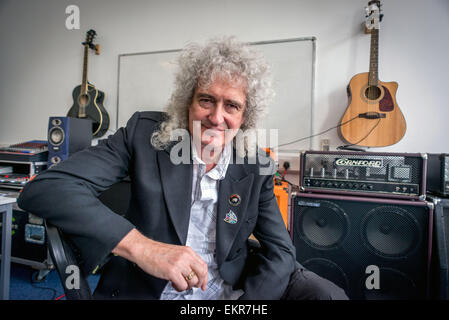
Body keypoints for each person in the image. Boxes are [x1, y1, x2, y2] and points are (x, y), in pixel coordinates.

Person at [18, 36, 348, 300]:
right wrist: (142, 247)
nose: (217, 117)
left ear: (245, 116)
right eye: (206, 100)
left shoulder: (256, 166)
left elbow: (280, 252)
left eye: (231, 105)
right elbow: (46, 189)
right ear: (187, 101)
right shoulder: (144, 135)